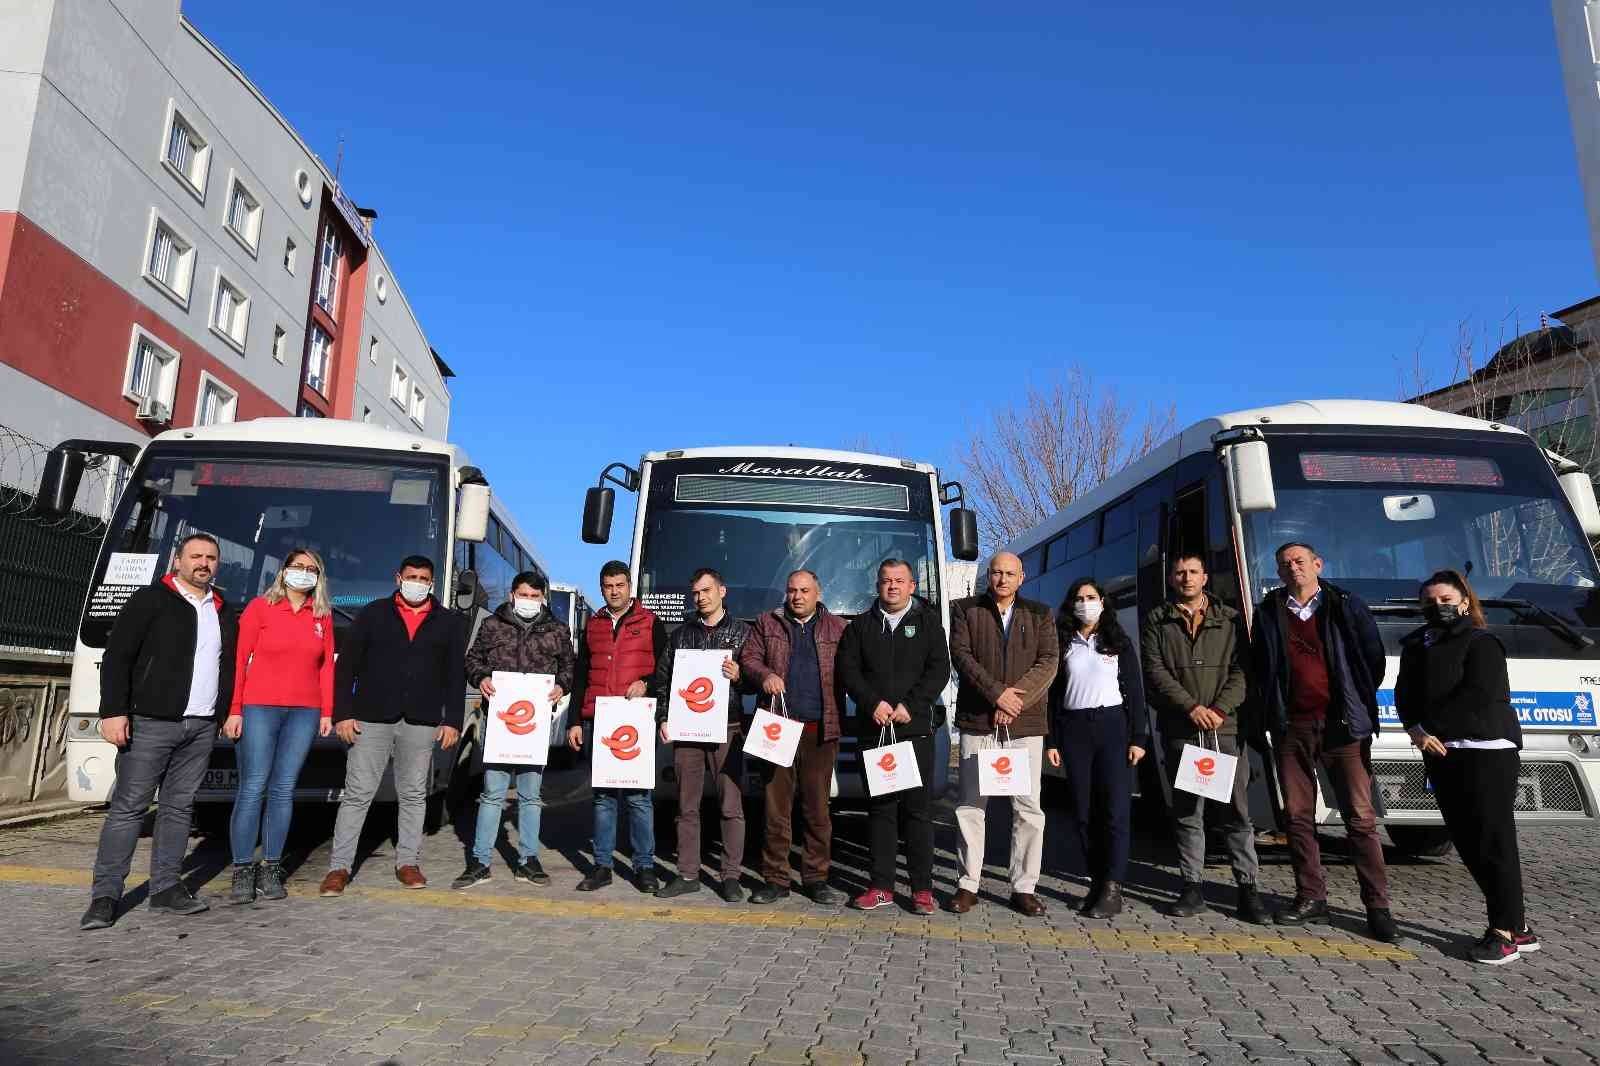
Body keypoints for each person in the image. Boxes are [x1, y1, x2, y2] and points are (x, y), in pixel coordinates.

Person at [81, 533, 238, 930]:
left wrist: (220, 713)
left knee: (178, 808)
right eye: (196, 556)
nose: (204, 563)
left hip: (201, 726)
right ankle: (105, 897)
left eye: (211, 558)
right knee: (129, 809)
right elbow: (118, 657)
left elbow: (227, 666)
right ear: (178, 560)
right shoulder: (151, 600)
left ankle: (166, 889)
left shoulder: (221, 609)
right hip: (151, 722)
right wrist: (114, 711)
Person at [1248, 542, 1396, 943]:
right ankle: (1311, 897)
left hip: (1342, 727)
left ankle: (1377, 907)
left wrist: (1354, 701)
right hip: (1291, 727)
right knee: (1297, 817)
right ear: (1278, 572)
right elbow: (1259, 666)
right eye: (1284, 564)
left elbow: (1372, 660)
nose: (1292, 568)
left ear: (1317, 564)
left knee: (1360, 819)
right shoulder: (1268, 612)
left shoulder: (1345, 604)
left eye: (1299, 561)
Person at [1394, 570, 1537, 965]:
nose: (1436, 606)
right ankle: (1519, 927)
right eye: (1428, 601)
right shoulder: (1416, 644)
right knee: (1469, 842)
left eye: (1444, 599)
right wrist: (1413, 729)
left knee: (1494, 841)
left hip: (1487, 750)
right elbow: (1404, 692)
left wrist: (1428, 727)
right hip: (1442, 753)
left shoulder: (1482, 642)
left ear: (1462, 602)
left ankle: (1503, 933)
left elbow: (1479, 694)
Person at [319, 556, 465, 896]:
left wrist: (453, 720)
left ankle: (408, 863)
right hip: (370, 717)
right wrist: (343, 713)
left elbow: (455, 676)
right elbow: (347, 667)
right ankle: (338, 868)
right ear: (398, 577)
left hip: (421, 720)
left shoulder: (448, 622)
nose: (417, 582)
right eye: (411, 576)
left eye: (423, 578)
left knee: (414, 794)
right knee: (357, 794)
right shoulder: (373, 613)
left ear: (432, 583)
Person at [1141, 552, 1266, 923]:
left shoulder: (1230, 620)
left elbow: (1243, 670)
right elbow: (1155, 671)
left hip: (1225, 729)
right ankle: (1192, 886)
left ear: (1205, 577)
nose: (1186, 578)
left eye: (1193, 572)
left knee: (1237, 812)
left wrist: (1220, 710)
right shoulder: (1156, 621)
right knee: (1187, 812)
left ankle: (1248, 889)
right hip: (1182, 730)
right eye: (1179, 573)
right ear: (1171, 579)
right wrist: (1191, 708)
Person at [947, 552, 1059, 917]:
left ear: (1022, 577)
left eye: (1010, 573)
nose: (1002, 579)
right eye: (996, 572)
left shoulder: (1041, 613)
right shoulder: (964, 609)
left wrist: (1014, 701)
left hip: (1024, 725)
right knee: (970, 806)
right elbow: (962, 657)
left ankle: (1024, 887)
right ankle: (967, 884)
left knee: (1027, 809)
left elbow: (1049, 663)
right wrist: (996, 694)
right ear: (988, 575)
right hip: (978, 721)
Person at [837, 558, 951, 914]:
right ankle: (881, 886)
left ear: (912, 585)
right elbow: (847, 670)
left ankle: (922, 890)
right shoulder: (860, 627)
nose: (892, 587)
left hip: (914, 730)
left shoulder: (929, 623)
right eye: (886, 581)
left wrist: (912, 706)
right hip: (875, 730)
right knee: (881, 810)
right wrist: (871, 703)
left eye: (899, 581)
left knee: (917, 812)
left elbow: (939, 670)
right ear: (878, 585)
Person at [224, 548, 335, 905]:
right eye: (297, 567)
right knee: (253, 786)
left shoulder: (323, 615)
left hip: (305, 711)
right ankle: (243, 868)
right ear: (283, 570)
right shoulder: (260, 607)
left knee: (285, 788)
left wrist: (327, 712)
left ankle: (271, 866)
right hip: (259, 707)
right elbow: (239, 659)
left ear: (319, 577)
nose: (303, 573)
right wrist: (235, 709)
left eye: (311, 569)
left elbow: (326, 668)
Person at [454, 571, 575, 890]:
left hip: (534, 728)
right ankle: (480, 861)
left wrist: (561, 686)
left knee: (531, 796)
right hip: (500, 723)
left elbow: (569, 668)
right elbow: (471, 661)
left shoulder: (558, 631)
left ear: (543, 599)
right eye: (523, 595)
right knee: (492, 793)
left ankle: (528, 861)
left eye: (535, 597)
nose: (529, 601)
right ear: (511, 595)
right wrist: (480, 677)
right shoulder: (492, 625)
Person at [740, 571, 848, 906]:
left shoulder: (839, 628)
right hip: (778, 729)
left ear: (818, 592)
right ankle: (776, 880)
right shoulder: (765, 623)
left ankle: (816, 878)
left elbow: (857, 669)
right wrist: (765, 674)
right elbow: (748, 659)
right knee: (776, 809)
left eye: (804, 590)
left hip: (821, 730)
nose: (797, 596)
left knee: (817, 809)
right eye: (792, 590)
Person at [1045, 577, 1148, 919]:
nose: (1085, 602)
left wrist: (1138, 738)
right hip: (1075, 731)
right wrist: (1053, 740)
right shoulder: (1063, 643)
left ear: (1103, 601)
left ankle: (1113, 887)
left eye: (1091, 596)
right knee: (1084, 811)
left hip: (1112, 728)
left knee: (1115, 811)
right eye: (1079, 597)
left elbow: (1134, 691)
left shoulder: (1118, 641)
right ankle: (1095, 880)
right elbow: (1054, 696)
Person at [652, 568, 752, 902]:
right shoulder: (680, 636)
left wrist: (740, 676)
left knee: (731, 805)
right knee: (686, 805)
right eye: (696, 593)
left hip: (728, 727)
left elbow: (757, 679)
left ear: (722, 591)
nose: (701, 597)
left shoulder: (742, 633)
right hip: (688, 730)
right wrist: (664, 717)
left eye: (707, 591)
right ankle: (687, 874)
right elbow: (663, 679)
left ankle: (731, 876)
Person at [567, 560, 666, 893]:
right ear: (602, 588)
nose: (614, 591)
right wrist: (574, 721)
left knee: (639, 798)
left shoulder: (651, 623)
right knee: (603, 797)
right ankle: (602, 866)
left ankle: (645, 866)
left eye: (620, 585)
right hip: (598, 720)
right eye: (608, 586)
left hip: (637, 720)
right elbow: (581, 674)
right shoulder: (592, 625)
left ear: (630, 587)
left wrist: (647, 683)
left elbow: (667, 670)